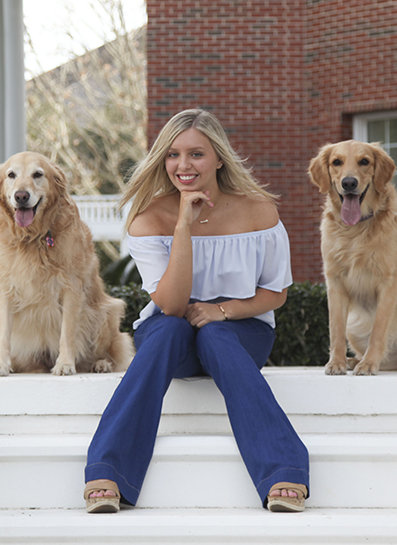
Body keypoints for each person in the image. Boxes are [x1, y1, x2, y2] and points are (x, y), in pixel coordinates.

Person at [83, 109, 309, 514]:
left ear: (219, 158)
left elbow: (276, 292)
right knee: (168, 329)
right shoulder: (149, 218)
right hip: (171, 338)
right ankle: (108, 470)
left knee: (215, 334)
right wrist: (183, 226)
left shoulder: (260, 212)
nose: (182, 166)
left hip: (243, 332)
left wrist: (221, 311)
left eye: (196, 154)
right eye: (172, 155)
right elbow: (170, 305)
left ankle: (282, 470)